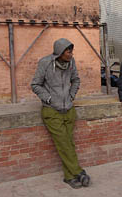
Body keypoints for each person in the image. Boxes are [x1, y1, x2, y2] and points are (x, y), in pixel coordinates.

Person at [31, 38, 90, 189]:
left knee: (68, 143)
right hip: (52, 111)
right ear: (60, 52)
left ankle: (69, 176)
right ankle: (79, 171)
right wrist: (49, 99)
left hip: (69, 110)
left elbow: (76, 80)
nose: (71, 54)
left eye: (71, 51)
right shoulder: (45, 63)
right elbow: (35, 84)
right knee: (63, 143)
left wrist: (71, 96)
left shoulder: (71, 63)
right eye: (68, 51)